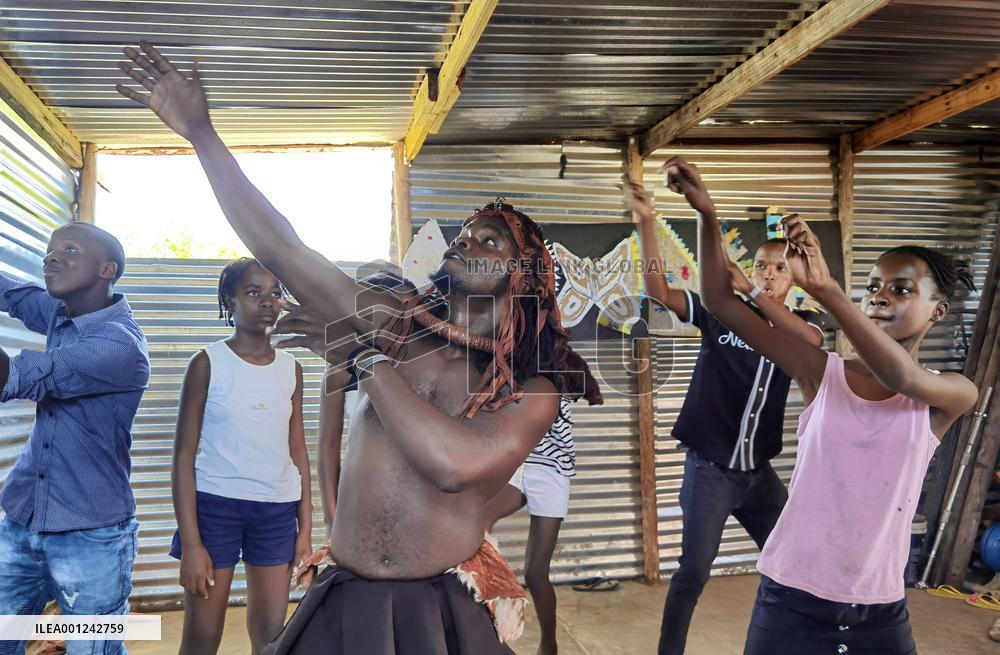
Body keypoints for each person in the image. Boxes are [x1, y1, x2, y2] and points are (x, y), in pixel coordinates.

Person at [116, 42, 603, 654]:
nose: (465, 241)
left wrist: (362, 359)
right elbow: (284, 248)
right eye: (464, 232)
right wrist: (201, 134)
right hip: (344, 596)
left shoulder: (529, 385)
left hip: (436, 609)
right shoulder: (396, 322)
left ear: (522, 277)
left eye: (489, 241)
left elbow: (455, 466)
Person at [663, 157, 978, 654]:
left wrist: (827, 291)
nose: (880, 297)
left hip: (880, 609)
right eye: (872, 287)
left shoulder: (952, 393)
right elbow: (721, 303)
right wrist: (706, 212)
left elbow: (901, 376)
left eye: (901, 289)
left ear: (938, 311)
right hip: (790, 599)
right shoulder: (822, 373)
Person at [622, 181, 825, 655]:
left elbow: (812, 343)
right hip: (710, 472)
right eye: (760, 266)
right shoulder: (723, 312)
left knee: (795, 560)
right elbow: (657, 292)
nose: (769, 274)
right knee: (693, 572)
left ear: (795, 279)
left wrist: (752, 290)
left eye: (780, 268)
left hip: (758, 476)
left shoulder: (805, 326)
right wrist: (647, 222)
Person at [0, 222, 149, 655]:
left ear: (107, 269)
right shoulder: (59, 313)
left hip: (91, 536)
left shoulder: (119, 346)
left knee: (91, 648)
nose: (51, 256)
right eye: (50, 249)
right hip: (23, 519)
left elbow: (18, 377)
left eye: (69, 249)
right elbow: (12, 294)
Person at [169, 258, 312, 655]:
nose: (267, 302)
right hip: (215, 508)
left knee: (270, 637)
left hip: (276, 511)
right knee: (201, 639)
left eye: (275, 293)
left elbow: (297, 449)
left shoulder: (291, 368)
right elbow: (183, 456)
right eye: (253, 293)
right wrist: (192, 545)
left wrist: (305, 529)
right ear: (228, 301)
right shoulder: (207, 363)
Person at [485, 396, 575, 655]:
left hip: (551, 471)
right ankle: (481, 633)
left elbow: (537, 423)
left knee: (536, 574)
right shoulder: (505, 377)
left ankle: (549, 644)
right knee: (478, 530)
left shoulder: (555, 382)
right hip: (514, 465)